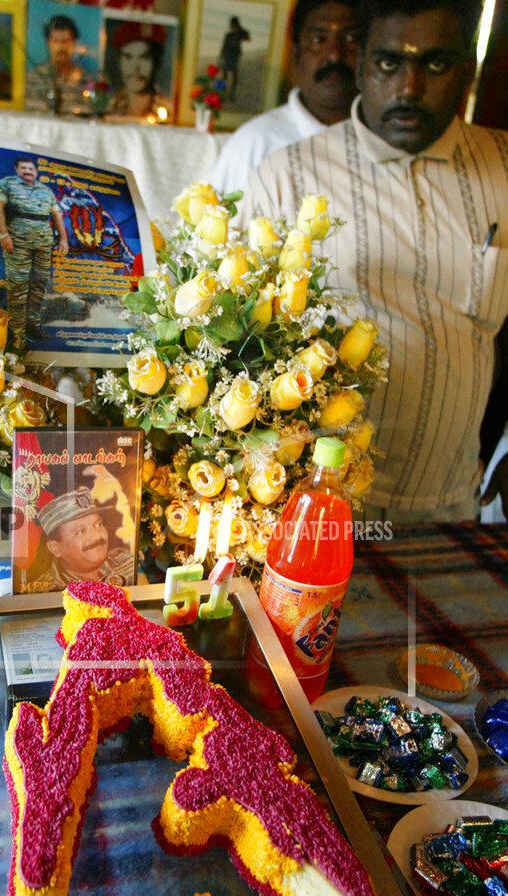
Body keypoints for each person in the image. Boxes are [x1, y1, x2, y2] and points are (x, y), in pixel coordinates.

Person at [241, 0, 508, 523]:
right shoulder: (287, 177)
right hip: (311, 509)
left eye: (435, 64)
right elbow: (240, 347)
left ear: (468, 69)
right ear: (361, 63)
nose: (409, 88)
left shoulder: (503, 167)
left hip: (452, 499)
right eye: (389, 63)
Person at [213, 1, 359, 195]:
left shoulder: (385, 143)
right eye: (319, 39)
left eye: (351, 39)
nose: (335, 55)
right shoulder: (254, 144)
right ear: (296, 53)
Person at [0, 156, 69, 345]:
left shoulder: (45, 191)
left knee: (39, 284)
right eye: (23, 168)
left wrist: (63, 238)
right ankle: (17, 330)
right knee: (18, 286)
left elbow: (57, 216)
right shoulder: (7, 184)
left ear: (36, 171)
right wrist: (3, 234)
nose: (27, 171)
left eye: (31, 168)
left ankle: (32, 324)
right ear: (17, 170)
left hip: (43, 244)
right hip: (18, 243)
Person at [27, 487, 135, 591]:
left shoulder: (129, 561)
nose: (96, 536)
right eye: (81, 531)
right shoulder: (45, 592)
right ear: (55, 548)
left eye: (98, 524)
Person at [25, 15, 88, 116]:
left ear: (74, 43)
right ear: (48, 43)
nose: (61, 47)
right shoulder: (34, 76)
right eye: (56, 41)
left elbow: (89, 113)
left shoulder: (86, 79)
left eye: (66, 41)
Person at [106, 21, 167, 118]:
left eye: (144, 57)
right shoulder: (108, 107)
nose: (135, 68)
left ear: (156, 62)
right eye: (128, 57)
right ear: (119, 61)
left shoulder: (166, 108)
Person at [220, 16, 251, 102]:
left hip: (234, 56)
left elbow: (248, 38)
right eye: (231, 24)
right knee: (226, 75)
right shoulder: (229, 35)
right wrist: (221, 55)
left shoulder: (239, 33)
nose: (231, 26)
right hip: (228, 55)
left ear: (235, 24)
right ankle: (224, 93)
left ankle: (231, 94)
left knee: (233, 75)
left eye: (232, 24)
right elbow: (224, 46)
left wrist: (239, 30)